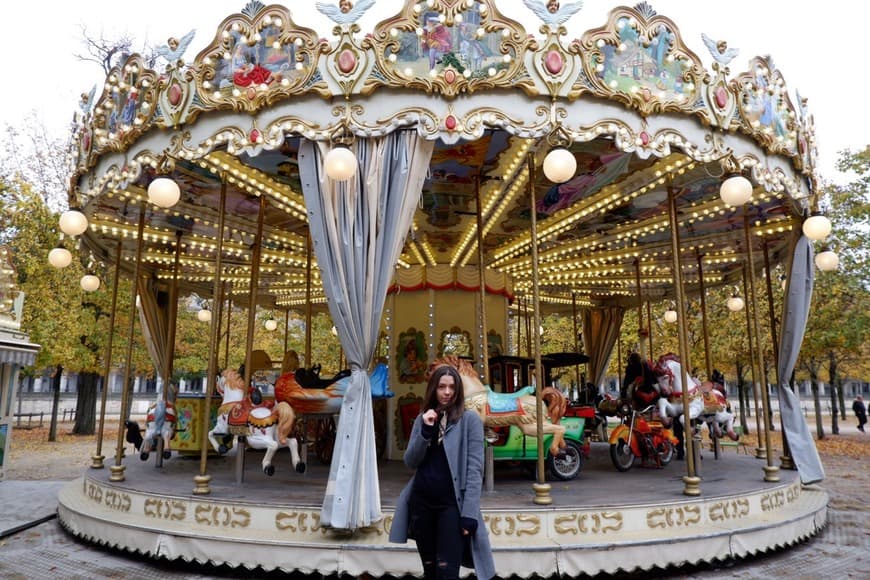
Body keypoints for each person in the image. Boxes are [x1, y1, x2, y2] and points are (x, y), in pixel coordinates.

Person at [389, 365, 495, 580]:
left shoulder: (469, 420)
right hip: (422, 503)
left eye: (452, 387)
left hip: (451, 506)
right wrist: (426, 431)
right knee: (430, 571)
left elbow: (475, 469)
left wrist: (469, 513)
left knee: (447, 571)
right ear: (433, 389)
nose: (447, 392)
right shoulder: (423, 418)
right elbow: (411, 461)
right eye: (441, 387)